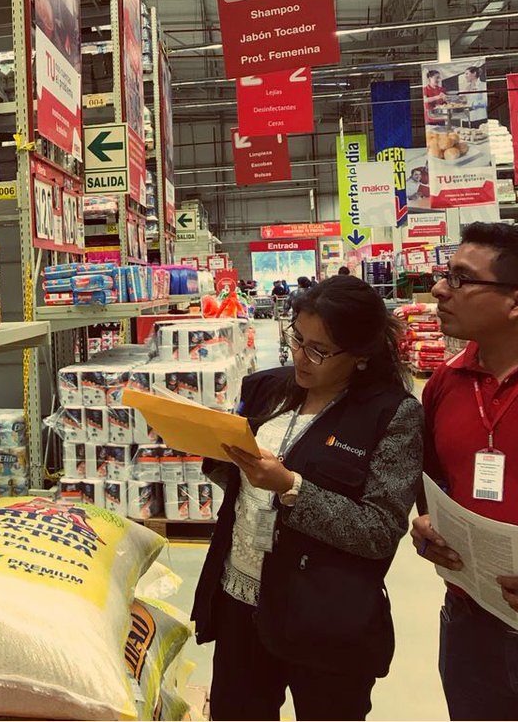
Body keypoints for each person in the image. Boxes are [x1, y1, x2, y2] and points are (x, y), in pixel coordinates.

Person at [193, 276, 423, 721]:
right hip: (240, 597)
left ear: (361, 355)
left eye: (319, 350)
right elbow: (240, 488)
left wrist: (291, 487)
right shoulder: (266, 389)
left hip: (322, 618)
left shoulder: (392, 415)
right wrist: (216, 450)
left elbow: (379, 530)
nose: (301, 356)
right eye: (297, 338)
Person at [411, 222, 518, 720]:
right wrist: (428, 529)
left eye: (460, 279)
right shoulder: (445, 383)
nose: (439, 290)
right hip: (470, 632)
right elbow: (436, 484)